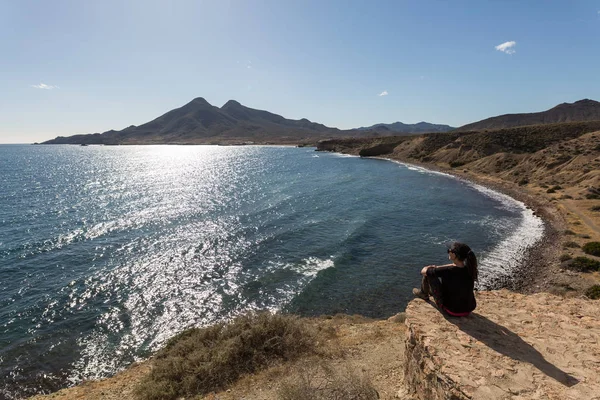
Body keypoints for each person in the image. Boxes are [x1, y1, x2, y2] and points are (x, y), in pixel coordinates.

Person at [412, 242, 478, 317]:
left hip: (451, 310)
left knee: (429, 274)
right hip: (467, 310)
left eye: (448, 251)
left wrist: (429, 267)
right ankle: (428, 292)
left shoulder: (447, 270)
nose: (448, 252)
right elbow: (453, 266)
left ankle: (424, 294)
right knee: (432, 272)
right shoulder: (470, 269)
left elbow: (423, 271)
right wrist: (437, 268)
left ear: (454, 255)